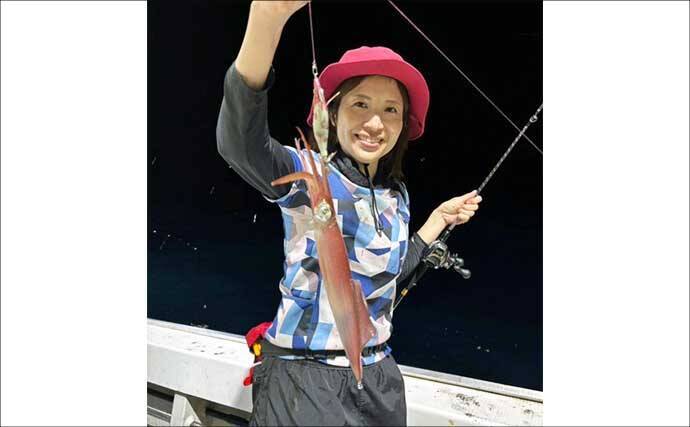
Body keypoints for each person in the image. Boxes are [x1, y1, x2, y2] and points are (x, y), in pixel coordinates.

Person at [216, 1, 482, 425]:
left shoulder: (396, 195)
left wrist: (438, 220)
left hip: (379, 379)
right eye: (360, 104)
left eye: (391, 109)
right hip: (304, 379)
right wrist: (267, 17)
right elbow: (240, 145)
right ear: (333, 111)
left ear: (403, 123)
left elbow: (386, 280)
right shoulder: (308, 176)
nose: (375, 123)